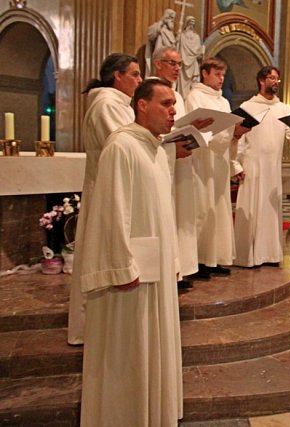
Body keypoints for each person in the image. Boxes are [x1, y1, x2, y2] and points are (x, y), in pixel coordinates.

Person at [79, 79, 182, 426]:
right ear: (141, 105)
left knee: (152, 348)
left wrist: (173, 261)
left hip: (156, 270)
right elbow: (111, 211)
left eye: (174, 105)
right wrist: (120, 267)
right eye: (166, 104)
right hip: (132, 276)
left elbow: (162, 213)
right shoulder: (121, 147)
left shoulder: (153, 149)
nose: (173, 112)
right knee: (129, 351)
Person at [67, 53, 142, 345]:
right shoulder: (107, 104)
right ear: (116, 75)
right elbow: (124, 145)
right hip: (108, 194)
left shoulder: (118, 104)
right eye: (134, 74)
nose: (139, 80)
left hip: (119, 189)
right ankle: (94, 330)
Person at [186, 58, 249, 278]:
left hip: (220, 161)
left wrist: (235, 133)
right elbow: (193, 127)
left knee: (219, 209)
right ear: (205, 73)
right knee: (202, 209)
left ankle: (215, 258)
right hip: (202, 159)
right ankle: (199, 260)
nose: (221, 79)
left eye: (223, 75)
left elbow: (227, 132)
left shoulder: (223, 101)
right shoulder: (195, 96)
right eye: (217, 74)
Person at [233, 66, 290, 267]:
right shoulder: (248, 106)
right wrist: (236, 164)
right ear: (261, 81)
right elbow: (238, 136)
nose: (275, 82)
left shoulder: (284, 110)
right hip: (252, 166)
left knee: (270, 211)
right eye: (271, 78)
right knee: (252, 209)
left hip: (272, 169)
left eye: (277, 78)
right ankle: (247, 256)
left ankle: (270, 254)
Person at [152, 46, 203, 289]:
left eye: (179, 64)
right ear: (157, 64)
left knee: (182, 216)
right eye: (171, 63)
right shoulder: (150, 90)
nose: (176, 68)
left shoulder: (179, 95)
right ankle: (168, 268)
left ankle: (181, 268)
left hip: (180, 161)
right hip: (160, 162)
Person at [177, 16, 204, 99]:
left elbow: (198, 52)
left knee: (194, 83)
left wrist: (201, 54)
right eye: (190, 23)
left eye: (193, 23)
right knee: (182, 87)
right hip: (183, 66)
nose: (191, 25)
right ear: (186, 23)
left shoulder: (197, 37)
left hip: (194, 64)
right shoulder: (182, 36)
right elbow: (177, 50)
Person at [146, 9, 177, 76]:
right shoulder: (158, 27)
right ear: (166, 17)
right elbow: (151, 35)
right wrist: (161, 22)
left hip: (170, 61)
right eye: (171, 18)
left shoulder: (170, 33)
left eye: (174, 19)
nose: (172, 20)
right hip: (161, 59)